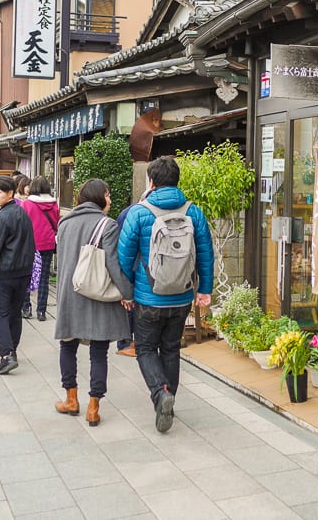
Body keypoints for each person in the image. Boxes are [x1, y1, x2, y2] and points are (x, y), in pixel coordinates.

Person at [118, 156, 214, 433]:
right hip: (182, 296)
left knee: (146, 348)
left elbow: (124, 258)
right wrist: (204, 290)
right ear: (177, 180)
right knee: (171, 348)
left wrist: (127, 291)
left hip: (147, 297)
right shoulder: (193, 212)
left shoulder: (138, 212)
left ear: (151, 181)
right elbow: (206, 254)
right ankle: (169, 396)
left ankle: (161, 394)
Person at [54, 179, 133, 425]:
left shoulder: (64, 222)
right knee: (99, 353)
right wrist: (127, 293)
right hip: (97, 295)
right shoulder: (107, 225)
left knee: (68, 346)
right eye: (108, 195)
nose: (109, 200)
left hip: (69, 293)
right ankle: (93, 408)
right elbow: (112, 263)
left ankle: (71, 399)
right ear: (100, 197)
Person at [0, 176, 36, 375]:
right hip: (22, 273)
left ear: (10, 193)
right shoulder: (22, 212)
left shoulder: (2, 217)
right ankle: (13, 350)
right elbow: (30, 244)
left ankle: (7, 354)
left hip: (3, 274)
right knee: (14, 313)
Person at [114, 188, 150, 358]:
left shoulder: (132, 213)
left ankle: (132, 340)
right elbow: (123, 243)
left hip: (140, 265)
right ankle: (124, 342)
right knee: (127, 305)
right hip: (133, 265)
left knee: (134, 305)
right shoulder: (131, 214)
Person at [20, 176, 60, 321]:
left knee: (27, 276)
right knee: (44, 277)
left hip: (30, 244)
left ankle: (26, 308)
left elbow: (23, 224)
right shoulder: (53, 203)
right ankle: (41, 311)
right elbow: (56, 224)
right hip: (47, 243)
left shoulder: (27, 204)